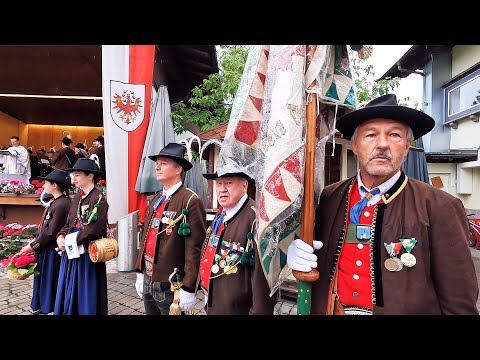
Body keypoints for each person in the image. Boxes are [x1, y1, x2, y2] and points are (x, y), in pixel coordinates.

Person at [286, 93, 479, 315]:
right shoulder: (329, 198)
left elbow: (459, 300)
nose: (382, 144)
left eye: (394, 135)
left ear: (407, 147)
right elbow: (313, 254)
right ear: (355, 146)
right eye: (370, 135)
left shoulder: (439, 206)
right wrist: (293, 253)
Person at [133, 142, 206, 315]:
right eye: (157, 163)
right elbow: (145, 236)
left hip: (170, 284)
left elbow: (195, 248)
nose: (157, 167)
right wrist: (139, 270)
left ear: (178, 169)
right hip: (149, 278)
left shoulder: (190, 201)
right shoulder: (157, 198)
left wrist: (189, 287)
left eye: (163, 163)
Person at [197, 171, 276, 315]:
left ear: (244, 185)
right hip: (213, 302)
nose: (222, 189)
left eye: (229, 183)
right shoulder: (222, 213)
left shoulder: (257, 221)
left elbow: (263, 284)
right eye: (219, 183)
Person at [53, 158, 109, 315]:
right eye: (73, 175)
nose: (74, 178)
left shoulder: (99, 199)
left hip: (87, 252)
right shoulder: (77, 197)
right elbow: (69, 222)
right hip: (71, 249)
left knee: (86, 286)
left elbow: (94, 230)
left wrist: (70, 241)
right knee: (69, 283)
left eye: (77, 175)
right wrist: (61, 235)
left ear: (90, 176)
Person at [18, 169, 72, 315]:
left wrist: (32, 246)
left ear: (55, 185)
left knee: (50, 280)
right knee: (44, 279)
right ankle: (45, 307)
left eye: (46, 182)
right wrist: (35, 240)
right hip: (45, 248)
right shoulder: (58, 202)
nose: (43, 185)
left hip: (51, 250)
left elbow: (51, 232)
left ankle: (51, 308)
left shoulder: (62, 204)